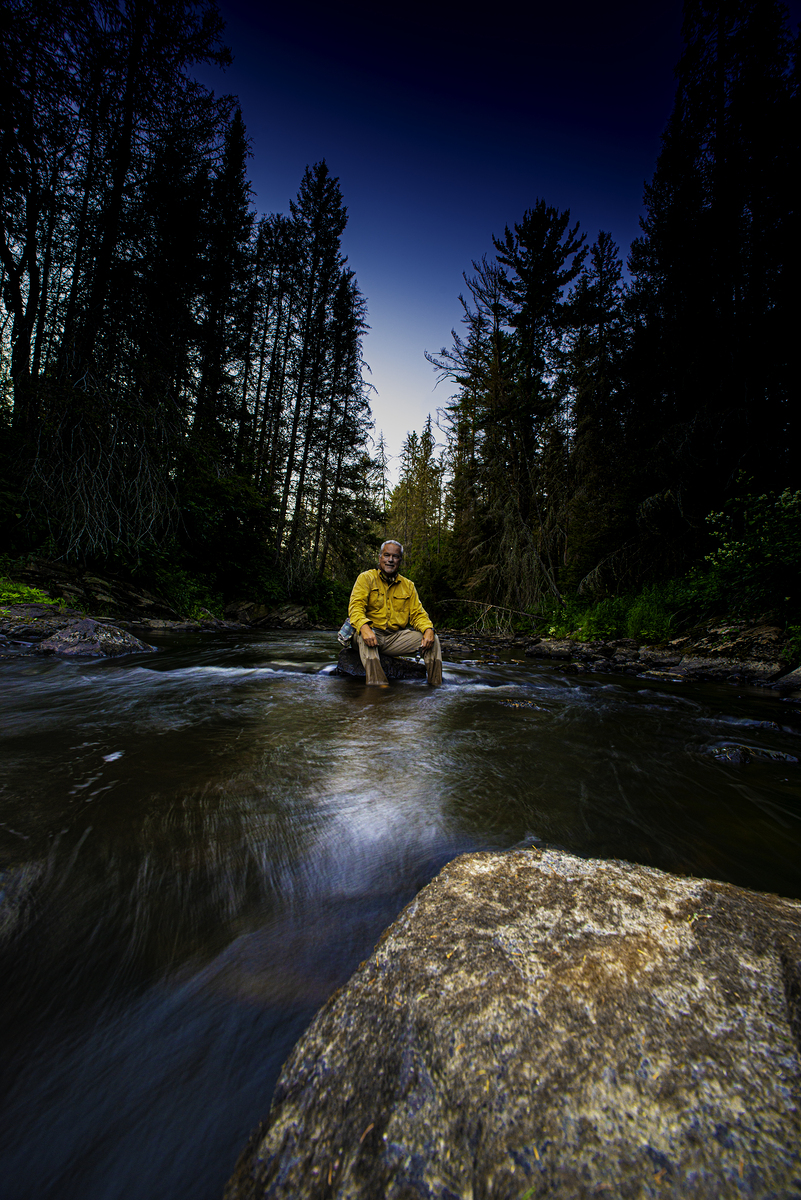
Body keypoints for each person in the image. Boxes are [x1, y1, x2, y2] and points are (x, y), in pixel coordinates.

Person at [348, 540, 443, 687]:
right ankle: (378, 688)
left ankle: (436, 687)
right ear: (380, 558)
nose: (390, 560)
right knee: (365, 637)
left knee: (433, 639)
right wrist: (364, 627)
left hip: (394, 638)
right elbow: (356, 607)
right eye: (386, 555)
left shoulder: (408, 586)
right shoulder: (366, 578)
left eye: (395, 556)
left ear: (400, 560)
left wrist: (428, 629)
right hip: (369, 634)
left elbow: (418, 614)